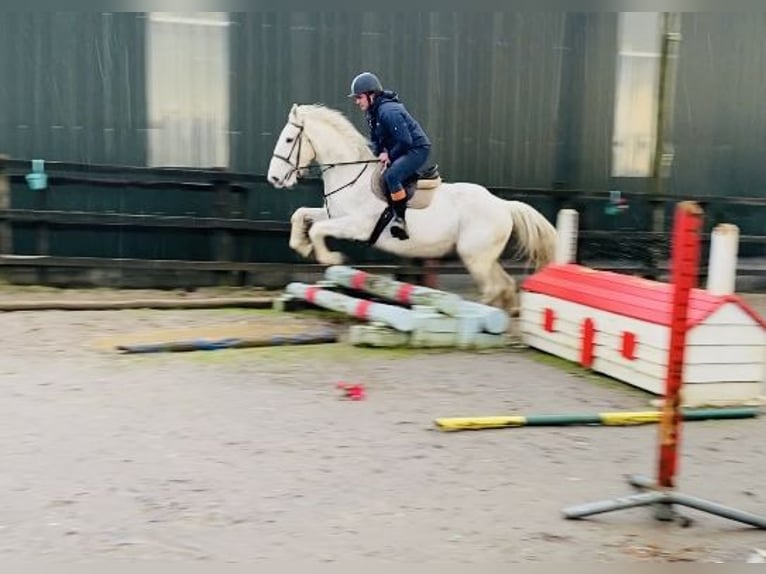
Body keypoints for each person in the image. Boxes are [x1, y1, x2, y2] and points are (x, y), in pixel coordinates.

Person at [348, 72, 431, 240]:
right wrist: (380, 153)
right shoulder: (373, 113)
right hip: (402, 148)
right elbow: (376, 141)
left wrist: (389, 156)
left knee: (391, 176)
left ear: (371, 95)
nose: (357, 102)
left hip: (417, 149)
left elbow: (405, 141)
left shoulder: (388, 111)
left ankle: (401, 221)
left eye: (359, 97)